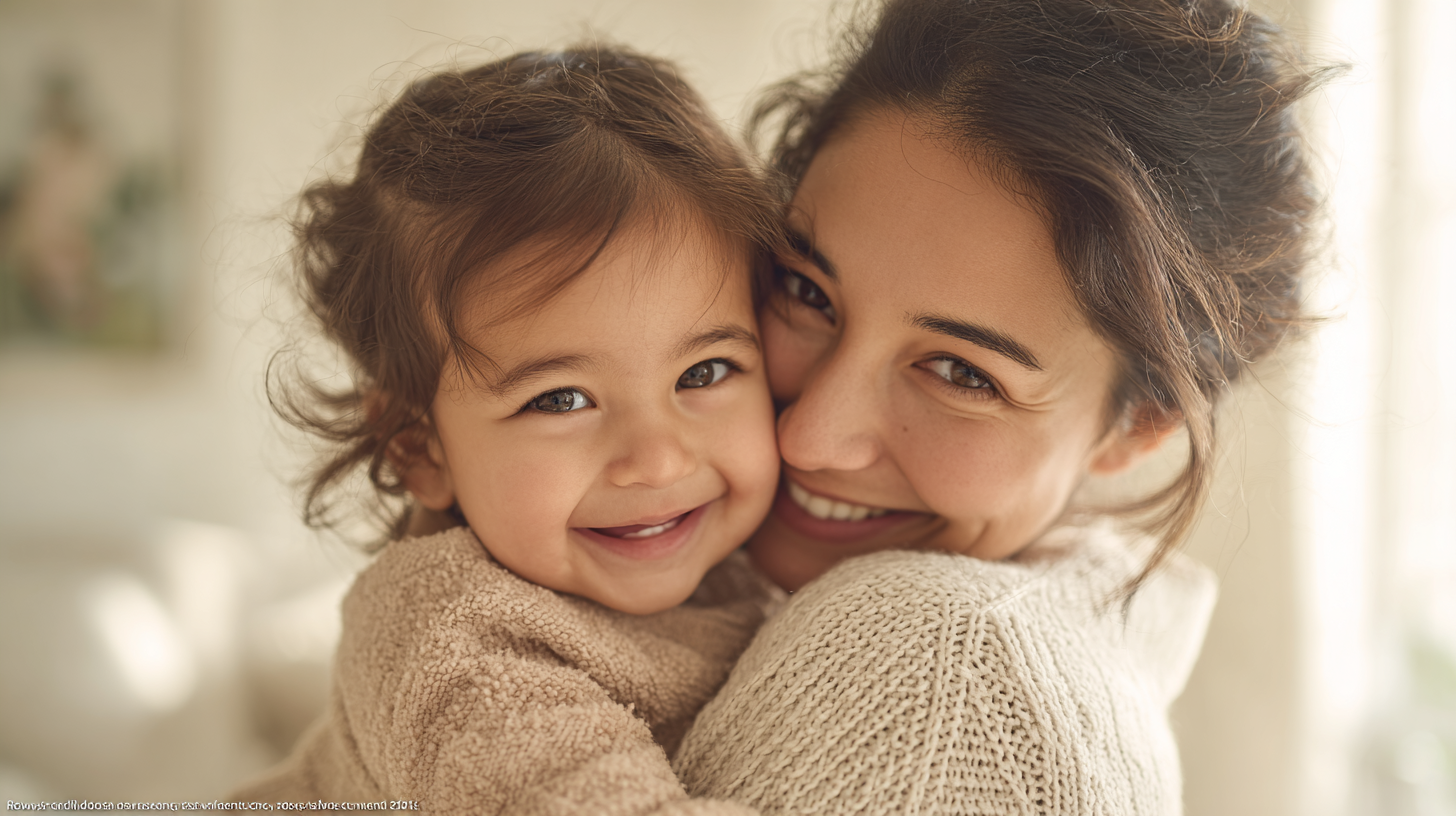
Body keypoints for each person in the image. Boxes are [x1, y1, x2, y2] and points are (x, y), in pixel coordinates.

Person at [674, 0, 1328, 812]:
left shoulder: (939, 671)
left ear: (1137, 427)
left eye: (961, 372)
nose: (809, 438)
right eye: (807, 291)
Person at [231, 46, 790, 814]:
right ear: (418, 447)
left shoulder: (751, 552)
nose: (658, 461)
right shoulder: (450, 643)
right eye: (561, 400)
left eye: (703, 374)